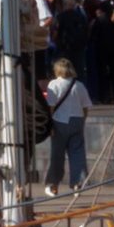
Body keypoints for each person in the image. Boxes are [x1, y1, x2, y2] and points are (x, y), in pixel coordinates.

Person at [43, 58, 92, 197]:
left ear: (57, 70)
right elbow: (86, 106)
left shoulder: (54, 84)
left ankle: (53, 185)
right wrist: (82, 120)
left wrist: (50, 125)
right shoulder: (79, 85)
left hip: (59, 121)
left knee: (57, 155)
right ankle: (78, 183)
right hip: (77, 120)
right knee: (77, 154)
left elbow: (51, 106)